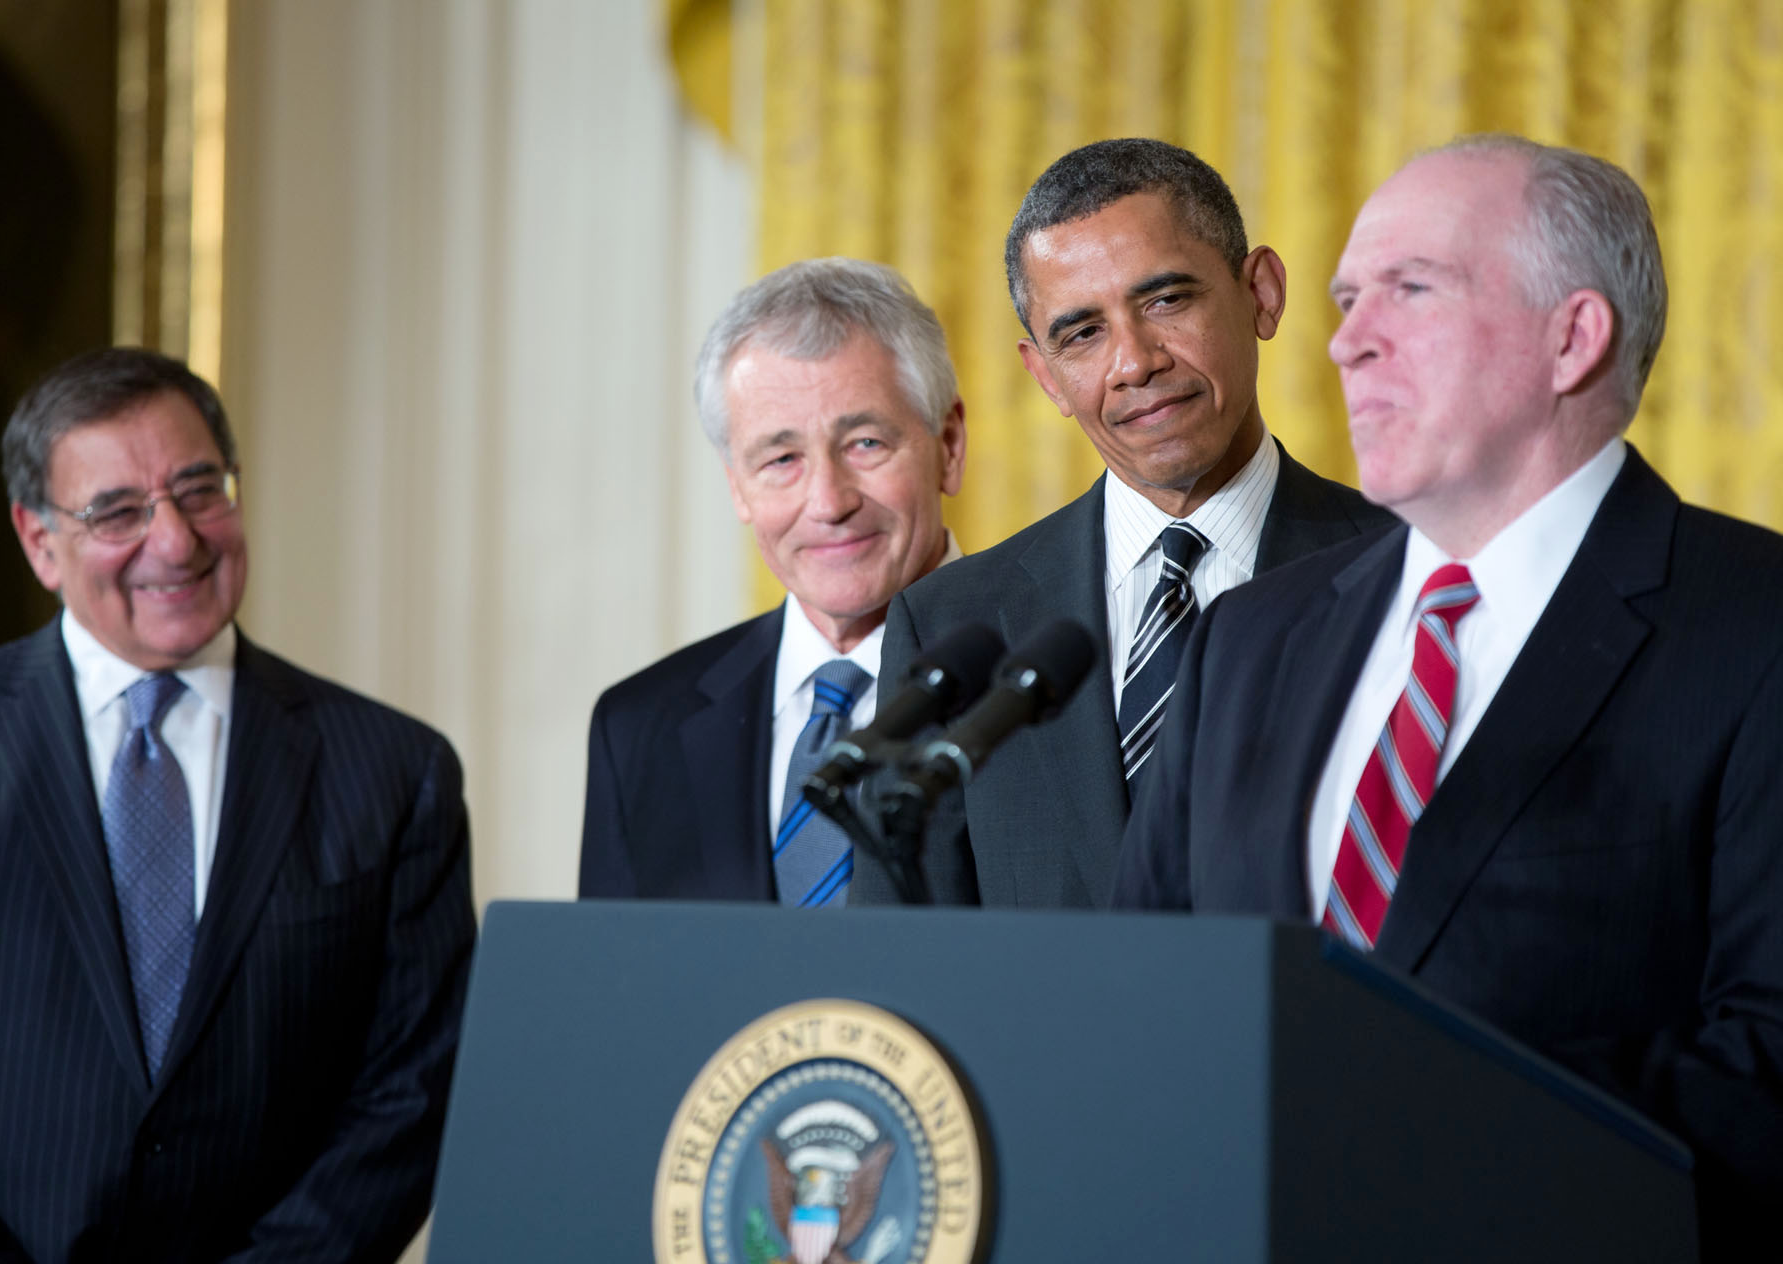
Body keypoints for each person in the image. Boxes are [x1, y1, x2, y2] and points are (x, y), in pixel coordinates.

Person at [1111, 135, 1783, 1264]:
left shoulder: (1753, 628)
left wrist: (1387, 1115)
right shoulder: (1248, 637)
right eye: (1343, 299)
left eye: (1411, 291)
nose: (1345, 341)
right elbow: (1135, 1002)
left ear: (1572, 336)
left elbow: (1766, 1068)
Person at [0, 348, 476, 1264]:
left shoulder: (396, 773)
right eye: (117, 512)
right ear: (38, 541)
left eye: (200, 490)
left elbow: (411, 1098)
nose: (177, 540)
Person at [849, 138, 1391, 908]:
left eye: (1167, 300)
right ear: (1045, 375)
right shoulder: (949, 624)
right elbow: (905, 959)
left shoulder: (1412, 571)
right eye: (1082, 333)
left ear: (1261, 294)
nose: (1134, 361)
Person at [579, 258, 966, 904]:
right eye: (781, 459)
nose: (828, 501)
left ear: (949, 445)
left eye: (865, 443)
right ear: (737, 485)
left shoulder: (1060, 693)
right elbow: (616, 994)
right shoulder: (639, 728)